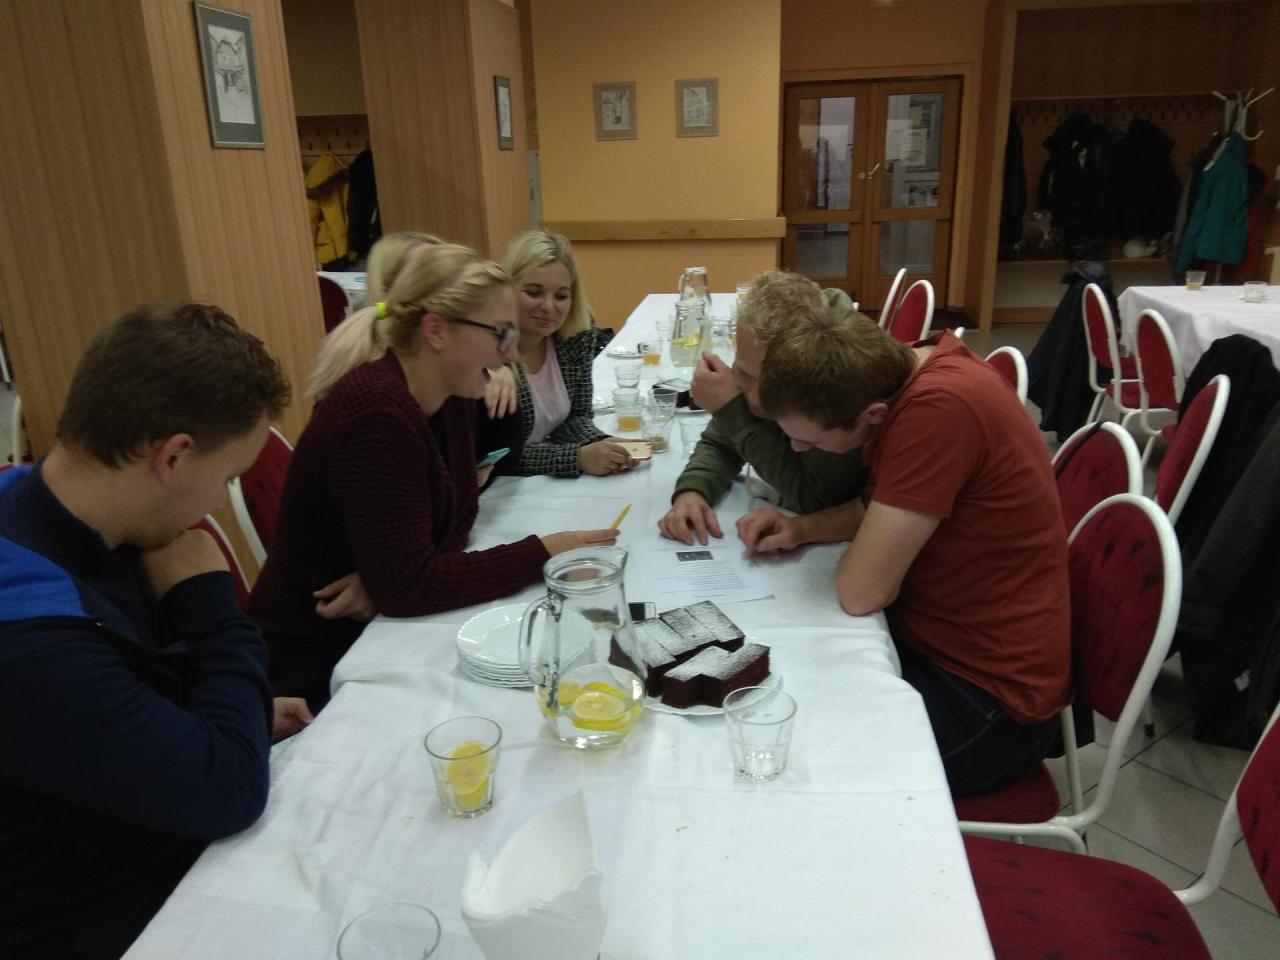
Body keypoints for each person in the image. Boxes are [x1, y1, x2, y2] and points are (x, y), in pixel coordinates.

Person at [0, 303, 292, 958]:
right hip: (93, 918)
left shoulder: (47, 503)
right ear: (175, 455)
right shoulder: (29, 638)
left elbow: (125, 694)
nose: (218, 502)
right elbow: (228, 791)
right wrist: (209, 600)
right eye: (227, 478)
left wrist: (232, 712)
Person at [248, 242, 618, 711]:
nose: (510, 354)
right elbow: (412, 587)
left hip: (367, 628)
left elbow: (455, 523)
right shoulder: (378, 415)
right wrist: (543, 552)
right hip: (310, 662)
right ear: (437, 330)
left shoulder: (449, 395)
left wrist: (387, 578)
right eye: (501, 334)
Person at [747, 308, 1071, 797]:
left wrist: (858, 556)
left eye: (807, 439)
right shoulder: (902, 368)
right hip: (940, 646)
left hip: (990, 701)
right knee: (783, 695)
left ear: (873, 416)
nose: (795, 449)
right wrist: (801, 528)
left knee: (790, 764)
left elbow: (861, 592)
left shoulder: (939, 410)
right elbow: (880, 505)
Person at [658, 270, 870, 545]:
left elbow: (814, 499)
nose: (755, 397)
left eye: (772, 383)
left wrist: (732, 409)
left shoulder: (834, 386)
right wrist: (693, 491)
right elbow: (721, 444)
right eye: (744, 372)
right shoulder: (756, 353)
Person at [500, 230, 633, 477]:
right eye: (534, 292)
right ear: (506, 289)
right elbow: (497, 456)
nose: (548, 306)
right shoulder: (489, 355)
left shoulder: (577, 337)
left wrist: (601, 443)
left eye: (561, 296)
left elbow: (576, 416)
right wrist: (576, 458)